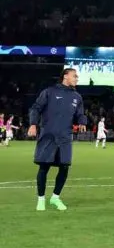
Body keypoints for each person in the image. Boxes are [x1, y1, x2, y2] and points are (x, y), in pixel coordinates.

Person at [27, 68, 88, 211]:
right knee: (44, 166)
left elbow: (80, 113)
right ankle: (41, 199)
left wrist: (82, 122)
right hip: (49, 134)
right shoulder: (49, 92)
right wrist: (33, 124)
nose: (77, 78)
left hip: (65, 136)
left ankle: (55, 197)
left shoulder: (77, 97)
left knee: (65, 166)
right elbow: (36, 108)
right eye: (75, 76)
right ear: (65, 76)